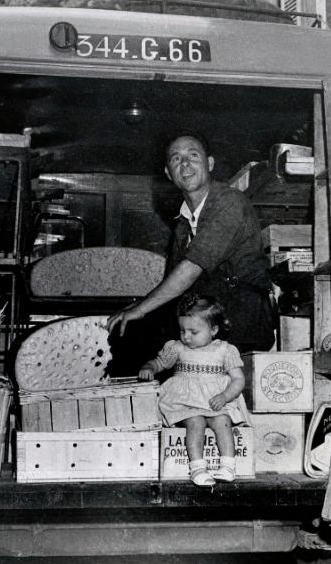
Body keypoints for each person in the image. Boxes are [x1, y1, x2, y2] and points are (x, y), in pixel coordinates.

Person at [107, 131, 275, 353]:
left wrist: (141, 309)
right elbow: (172, 283)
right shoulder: (183, 222)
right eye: (176, 158)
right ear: (168, 173)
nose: (185, 164)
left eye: (193, 155)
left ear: (210, 163)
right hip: (208, 326)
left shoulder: (230, 202)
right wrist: (137, 306)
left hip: (243, 324)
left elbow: (191, 267)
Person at [139, 293, 248, 486]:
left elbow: (238, 380)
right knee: (195, 422)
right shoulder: (177, 348)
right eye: (182, 331)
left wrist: (225, 396)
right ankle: (198, 468)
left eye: (193, 332)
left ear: (213, 329)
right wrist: (149, 368)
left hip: (215, 401)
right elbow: (159, 363)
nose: (186, 336)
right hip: (186, 401)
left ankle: (228, 466)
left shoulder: (225, 350)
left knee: (223, 421)